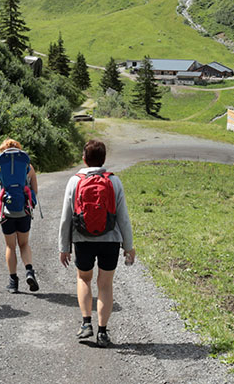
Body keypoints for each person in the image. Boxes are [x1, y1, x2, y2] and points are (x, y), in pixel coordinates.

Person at [59, 139, 135, 347]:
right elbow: (123, 218)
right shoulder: (114, 181)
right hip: (110, 240)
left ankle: (86, 324)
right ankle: (102, 332)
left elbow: (66, 217)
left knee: (84, 279)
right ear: (104, 159)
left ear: (84, 159)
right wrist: (128, 246)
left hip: (82, 239)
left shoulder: (74, 181)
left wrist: (64, 247)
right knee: (105, 285)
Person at [0, 139, 40, 293]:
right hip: (23, 210)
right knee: (24, 244)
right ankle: (29, 271)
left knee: (10, 246)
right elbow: (35, 190)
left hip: (6, 211)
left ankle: (13, 281)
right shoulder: (27, 166)